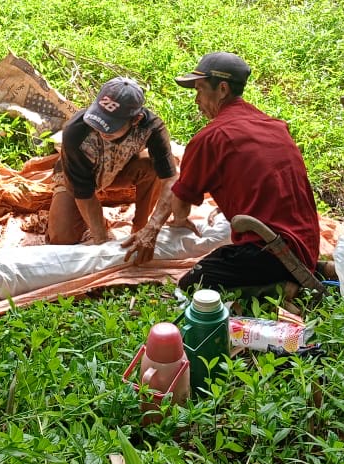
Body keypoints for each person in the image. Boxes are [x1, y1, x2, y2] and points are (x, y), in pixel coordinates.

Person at [123, 53, 323, 291]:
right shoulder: (274, 126)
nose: (196, 99)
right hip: (307, 244)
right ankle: (309, 272)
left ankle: (282, 286)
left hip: (268, 250)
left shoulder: (210, 138)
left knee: (192, 285)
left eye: (200, 89)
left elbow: (180, 208)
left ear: (223, 89)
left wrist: (170, 220)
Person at [46, 76, 177, 245]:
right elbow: (84, 193)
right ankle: (93, 221)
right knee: (62, 237)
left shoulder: (152, 128)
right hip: (78, 178)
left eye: (111, 125)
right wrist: (101, 240)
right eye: (99, 118)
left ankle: (139, 227)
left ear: (136, 120)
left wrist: (152, 228)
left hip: (118, 169)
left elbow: (170, 179)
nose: (101, 128)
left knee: (154, 167)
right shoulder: (75, 131)